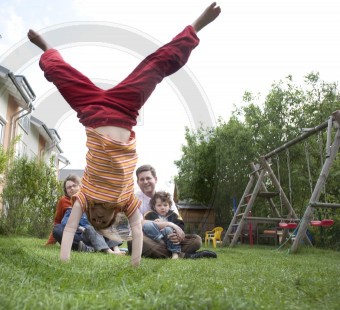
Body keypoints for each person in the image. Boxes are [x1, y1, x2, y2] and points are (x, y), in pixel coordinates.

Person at [28, 2, 221, 266]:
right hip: (125, 109)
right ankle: (195, 27)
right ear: (109, 219)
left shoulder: (84, 196)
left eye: (92, 219)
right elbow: (138, 231)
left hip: (92, 111)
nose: (94, 219)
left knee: (60, 73)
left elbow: (71, 228)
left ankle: (48, 50)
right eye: (99, 222)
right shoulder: (126, 201)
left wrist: (64, 262)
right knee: (155, 66)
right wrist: (135, 264)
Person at [134, 164, 217, 259]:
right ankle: (184, 255)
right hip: (148, 237)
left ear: (155, 179)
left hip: (169, 235)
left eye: (148, 178)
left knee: (196, 240)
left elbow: (176, 219)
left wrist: (176, 235)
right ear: (137, 182)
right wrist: (169, 224)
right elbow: (139, 223)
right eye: (142, 179)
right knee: (136, 242)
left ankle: (168, 251)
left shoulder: (166, 197)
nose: (145, 182)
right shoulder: (135, 199)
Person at [50, 175, 125, 254]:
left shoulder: (91, 201)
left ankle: (109, 249)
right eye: (68, 187)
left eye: (74, 186)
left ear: (80, 186)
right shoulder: (68, 207)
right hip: (79, 235)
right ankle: (98, 248)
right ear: (66, 191)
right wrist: (80, 228)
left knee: (107, 225)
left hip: (97, 232)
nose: (71, 188)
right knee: (57, 229)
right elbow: (61, 222)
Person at [143, 191, 183, 259]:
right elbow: (145, 226)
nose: (162, 207)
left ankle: (175, 253)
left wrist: (173, 230)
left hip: (170, 237)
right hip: (156, 238)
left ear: (169, 206)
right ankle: (163, 245)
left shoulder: (174, 215)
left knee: (168, 229)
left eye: (165, 205)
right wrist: (155, 222)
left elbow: (180, 227)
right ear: (154, 206)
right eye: (159, 205)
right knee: (148, 225)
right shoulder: (149, 214)